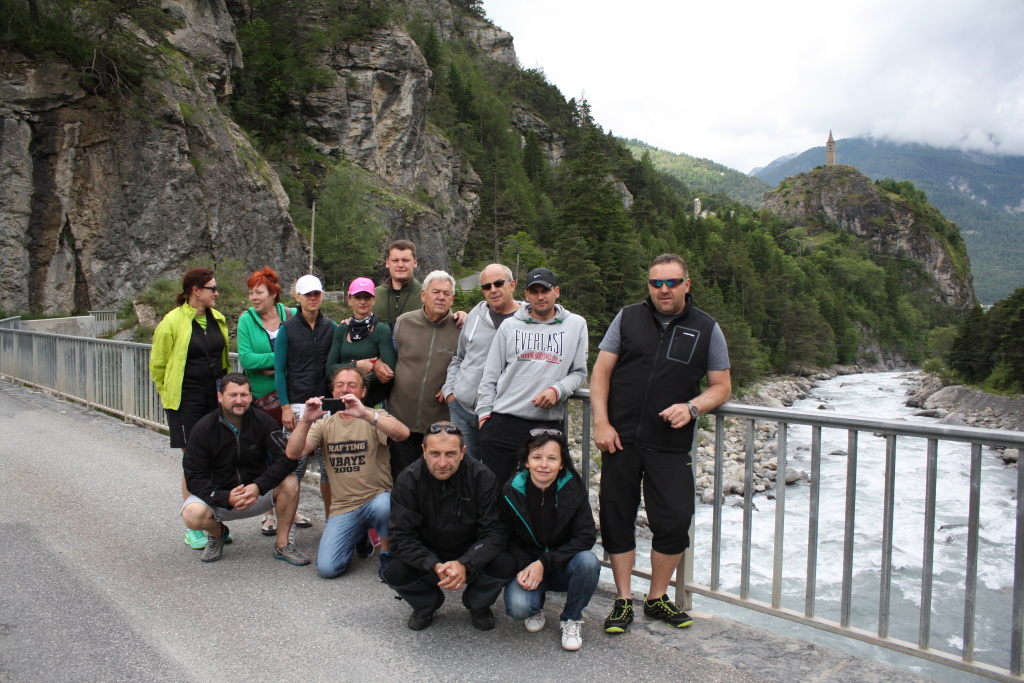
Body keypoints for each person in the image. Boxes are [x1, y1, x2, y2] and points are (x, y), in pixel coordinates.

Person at [591, 254, 732, 633]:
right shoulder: (627, 318)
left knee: (674, 521)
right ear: (649, 285)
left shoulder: (706, 328)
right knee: (616, 519)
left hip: (670, 445)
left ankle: (656, 598)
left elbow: (721, 386)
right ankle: (623, 600)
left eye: (672, 282)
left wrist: (692, 407)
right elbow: (601, 372)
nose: (664, 290)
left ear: (687, 284)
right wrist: (602, 423)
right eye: (656, 283)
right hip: (620, 441)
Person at [384, 423, 513, 631]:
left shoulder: (482, 477)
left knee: (505, 563)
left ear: (462, 452)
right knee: (394, 571)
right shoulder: (408, 480)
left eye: (450, 454)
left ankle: (477, 604)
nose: (442, 463)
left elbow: (495, 533)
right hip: (428, 555)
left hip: (471, 553)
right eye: (435, 453)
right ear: (424, 451)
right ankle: (427, 604)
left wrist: (465, 563)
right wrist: (433, 564)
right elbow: (400, 537)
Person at [286, 367, 410, 580]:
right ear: (333, 391)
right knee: (328, 569)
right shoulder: (324, 424)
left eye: (352, 385)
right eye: (340, 385)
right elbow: (293, 453)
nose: (345, 390)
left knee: (385, 506)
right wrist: (306, 420)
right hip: (344, 506)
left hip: (376, 499)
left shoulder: (374, 416)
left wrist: (365, 414)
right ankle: (359, 536)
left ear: (363, 391)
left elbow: (403, 434)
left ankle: (387, 554)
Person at [180, 373, 309, 566]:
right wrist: (224, 497)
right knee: (191, 514)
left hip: (256, 493)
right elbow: (193, 476)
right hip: (220, 498)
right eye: (232, 395)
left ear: (250, 397)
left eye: (244, 395)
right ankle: (218, 533)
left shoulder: (263, 421)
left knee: (290, 481)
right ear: (220, 397)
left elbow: (288, 459)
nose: (239, 401)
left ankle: (283, 545)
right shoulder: (203, 429)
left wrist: (258, 486)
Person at [476, 267, 588, 485]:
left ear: (557, 291)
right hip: (502, 422)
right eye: (534, 291)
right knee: (495, 492)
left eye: (545, 290)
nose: (540, 296)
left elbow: (579, 372)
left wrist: (558, 390)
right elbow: (490, 374)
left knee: (544, 491)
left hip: (546, 425)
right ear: (526, 295)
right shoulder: (510, 325)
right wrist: (484, 416)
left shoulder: (576, 325)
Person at [150, 267, 230, 550]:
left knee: (217, 457)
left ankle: (212, 519)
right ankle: (193, 526)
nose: (216, 293)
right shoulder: (172, 321)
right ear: (196, 290)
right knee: (193, 460)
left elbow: (222, 359)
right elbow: (158, 365)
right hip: (186, 401)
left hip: (214, 397)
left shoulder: (217, 318)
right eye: (212, 288)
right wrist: (168, 393)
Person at [500, 429, 600, 651]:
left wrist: (544, 563)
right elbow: (506, 536)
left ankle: (571, 618)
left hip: (564, 565)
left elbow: (585, 536)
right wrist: (527, 566)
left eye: (552, 458)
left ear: (562, 463)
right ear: (526, 461)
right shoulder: (512, 490)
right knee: (519, 608)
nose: (543, 465)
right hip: (528, 564)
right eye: (537, 457)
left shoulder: (572, 487)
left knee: (588, 562)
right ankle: (536, 608)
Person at [236, 266, 306, 536]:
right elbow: (247, 359)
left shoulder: (292, 314)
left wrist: (272, 365)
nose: (254, 297)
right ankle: (267, 512)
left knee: (293, 454)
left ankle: (290, 507)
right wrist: (281, 360)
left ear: (273, 293)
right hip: (261, 401)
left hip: (291, 397)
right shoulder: (246, 320)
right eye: (251, 293)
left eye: (259, 292)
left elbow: (305, 348)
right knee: (265, 454)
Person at [275, 274, 335, 528]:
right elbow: (279, 369)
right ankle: (285, 523)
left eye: (316, 293)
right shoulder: (287, 329)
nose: (313, 298)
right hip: (298, 403)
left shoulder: (331, 327)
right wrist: (285, 406)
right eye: (307, 294)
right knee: (294, 465)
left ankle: (332, 521)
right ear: (297, 297)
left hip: (327, 404)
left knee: (329, 467)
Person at [443, 264, 521, 461]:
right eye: (487, 286)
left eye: (498, 283)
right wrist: (450, 393)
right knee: (465, 468)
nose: (493, 290)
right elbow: (459, 357)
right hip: (462, 409)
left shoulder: (527, 320)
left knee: (497, 470)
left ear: (512, 285)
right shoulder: (474, 316)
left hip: (501, 414)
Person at [387, 270, 461, 477]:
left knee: (437, 480)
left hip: (440, 426)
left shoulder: (462, 329)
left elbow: (471, 366)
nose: (441, 297)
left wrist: (453, 385)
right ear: (423, 295)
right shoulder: (403, 323)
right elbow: (390, 359)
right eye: (435, 292)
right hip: (401, 421)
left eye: (446, 293)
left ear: (453, 299)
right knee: (403, 480)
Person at [326, 277, 396, 409]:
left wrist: (349, 378)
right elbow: (329, 370)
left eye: (367, 297)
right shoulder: (341, 330)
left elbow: (389, 371)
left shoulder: (382, 330)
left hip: (373, 401)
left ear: (374, 300)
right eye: (358, 297)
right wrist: (356, 365)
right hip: (344, 401)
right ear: (350, 300)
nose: (363, 301)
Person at [372, 240, 422, 328]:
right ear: (387, 263)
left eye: (405, 260)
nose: (400, 265)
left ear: (414, 262)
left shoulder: (427, 295)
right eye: (395, 260)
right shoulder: (373, 295)